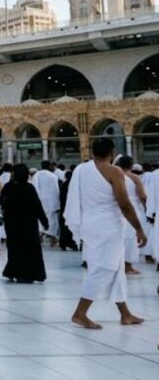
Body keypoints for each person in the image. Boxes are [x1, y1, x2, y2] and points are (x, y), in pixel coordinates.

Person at [66, 138, 147, 329]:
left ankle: (125, 314)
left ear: (93, 152)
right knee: (104, 268)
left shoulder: (81, 170)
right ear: (112, 152)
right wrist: (138, 228)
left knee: (116, 267)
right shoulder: (114, 171)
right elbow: (124, 203)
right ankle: (80, 313)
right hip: (107, 226)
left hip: (89, 223)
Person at [0, 164, 49, 283]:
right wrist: (44, 221)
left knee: (14, 248)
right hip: (28, 224)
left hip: (11, 224)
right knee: (29, 249)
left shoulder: (8, 187)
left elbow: (1, 203)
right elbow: (37, 206)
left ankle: (13, 271)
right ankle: (28, 274)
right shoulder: (29, 188)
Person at [32, 161, 62, 246]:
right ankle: (53, 240)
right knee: (52, 220)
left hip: (40, 200)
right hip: (51, 201)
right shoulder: (53, 176)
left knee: (39, 219)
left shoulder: (36, 175)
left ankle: (40, 237)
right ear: (49, 166)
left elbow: (35, 188)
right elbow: (56, 190)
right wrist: (57, 203)